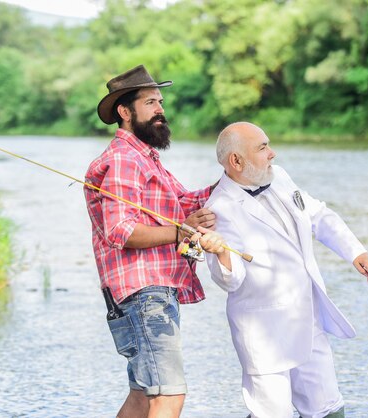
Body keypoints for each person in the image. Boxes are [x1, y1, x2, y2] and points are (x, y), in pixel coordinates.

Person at [205, 122, 368, 418]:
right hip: (264, 333)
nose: (272, 153)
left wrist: (355, 250)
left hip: (307, 318)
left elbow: (318, 215)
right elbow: (231, 280)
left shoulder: (280, 176)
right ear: (236, 161)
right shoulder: (219, 208)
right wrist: (221, 250)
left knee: (329, 409)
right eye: (262, 148)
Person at [83, 65, 226, 418]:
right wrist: (183, 231)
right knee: (169, 395)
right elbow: (121, 230)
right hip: (144, 294)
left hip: (147, 294)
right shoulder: (123, 159)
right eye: (150, 103)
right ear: (125, 112)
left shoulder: (147, 159)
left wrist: (234, 182)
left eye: (160, 101)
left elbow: (187, 204)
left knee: (143, 395)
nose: (160, 109)